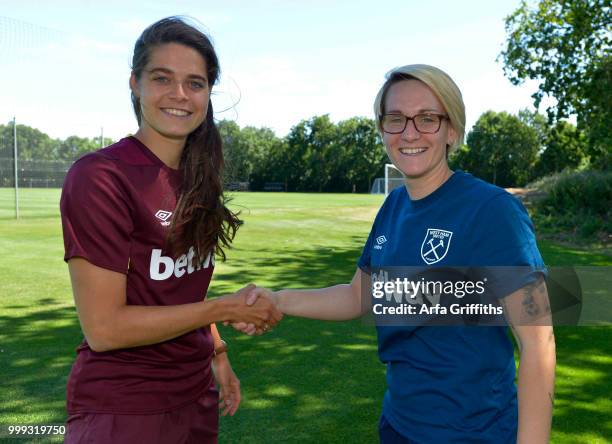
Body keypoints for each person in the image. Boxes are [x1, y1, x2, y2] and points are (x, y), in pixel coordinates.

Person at [243, 64, 556, 443]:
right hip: (398, 426)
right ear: (382, 129)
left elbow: (538, 343)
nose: (409, 132)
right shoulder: (393, 206)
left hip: (474, 434)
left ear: (452, 130)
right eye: (396, 119)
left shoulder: (492, 210)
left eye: (427, 118)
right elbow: (357, 296)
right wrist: (277, 300)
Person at [60, 17, 282, 444]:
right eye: (163, 78)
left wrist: (216, 351)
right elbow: (105, 329)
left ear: (207, 94)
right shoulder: (101, 175)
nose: (179, 94)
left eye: (195, 83)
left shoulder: (198, 176)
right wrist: (226, 309)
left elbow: (181, 288)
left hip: (195, 395)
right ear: (135, 83)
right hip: (124, 406)